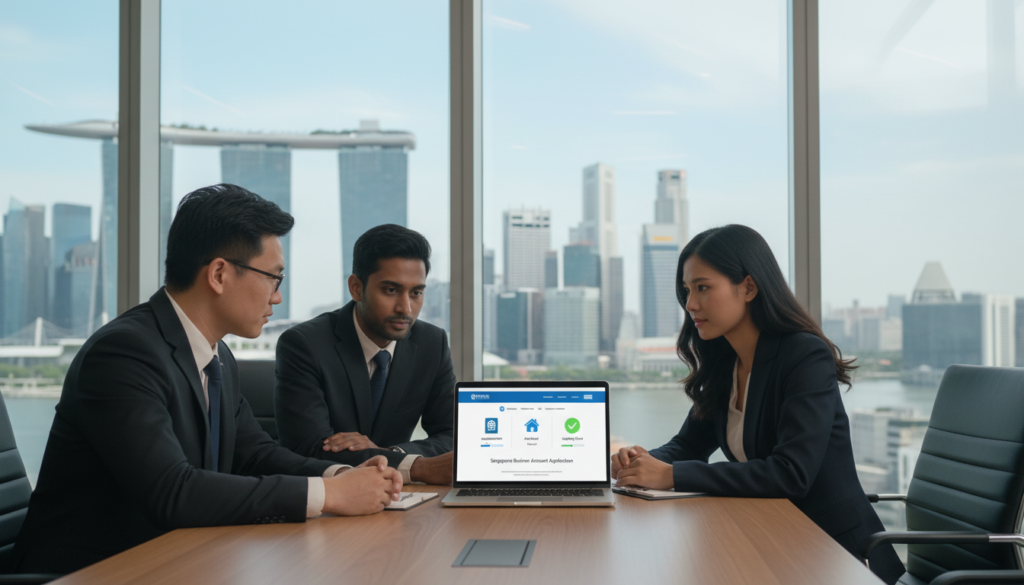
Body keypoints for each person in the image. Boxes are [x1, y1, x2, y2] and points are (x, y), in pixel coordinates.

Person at [13, 184, 402, 575]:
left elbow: (253, 453)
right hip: (95, 572)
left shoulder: (217, 356)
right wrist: (328, 495)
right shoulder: (123, 354)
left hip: (181, 560)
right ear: (219, 274)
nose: (277, 297)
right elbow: (172, 491)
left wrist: (341, 475)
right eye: (274, 278)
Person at [610, 225, 904, 585]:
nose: (690, 304)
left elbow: (790, 473)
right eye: (687, 290)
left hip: (836, 553)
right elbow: (689, 445)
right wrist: (639, 462)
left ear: (748, 287)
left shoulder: (804, 355)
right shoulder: (726, 361)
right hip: (772, 538)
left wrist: (670, 475)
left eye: (703, 287)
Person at [275, 224, 454, 485]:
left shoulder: (432, 343)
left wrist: (392, 454)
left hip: (398, 496)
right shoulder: (305, 344)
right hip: (331, 498)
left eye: (416, 293)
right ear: (356, 287)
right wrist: (412, 466)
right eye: (391, 290)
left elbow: (453, 434)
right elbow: (308, 448)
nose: (405, 308)